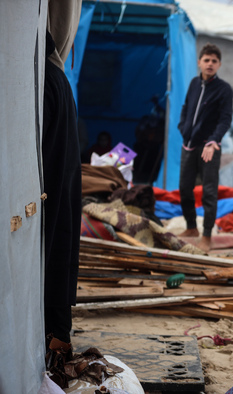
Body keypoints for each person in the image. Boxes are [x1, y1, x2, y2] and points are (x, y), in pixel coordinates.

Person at [42, 30, 82, 349]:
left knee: (50, 268)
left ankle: (55, 353)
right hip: (63, 190)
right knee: (60, 263)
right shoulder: (59, 78)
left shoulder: (42, 81)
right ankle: (59, 346)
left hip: (50, 192)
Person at [177, 43, 233, 252]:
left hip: (209, 147)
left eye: (214, 61)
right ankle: (191, 227)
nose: (210, 64)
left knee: (209, 192)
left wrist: (213, 141)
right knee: (184, 188)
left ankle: (207, 234)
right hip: (189, 144)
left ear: (219, 65)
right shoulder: (194, 83)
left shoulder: (224, 89)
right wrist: (183, 128)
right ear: (199, 62)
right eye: (206, 60)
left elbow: (225, 119)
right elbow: (185, 108)